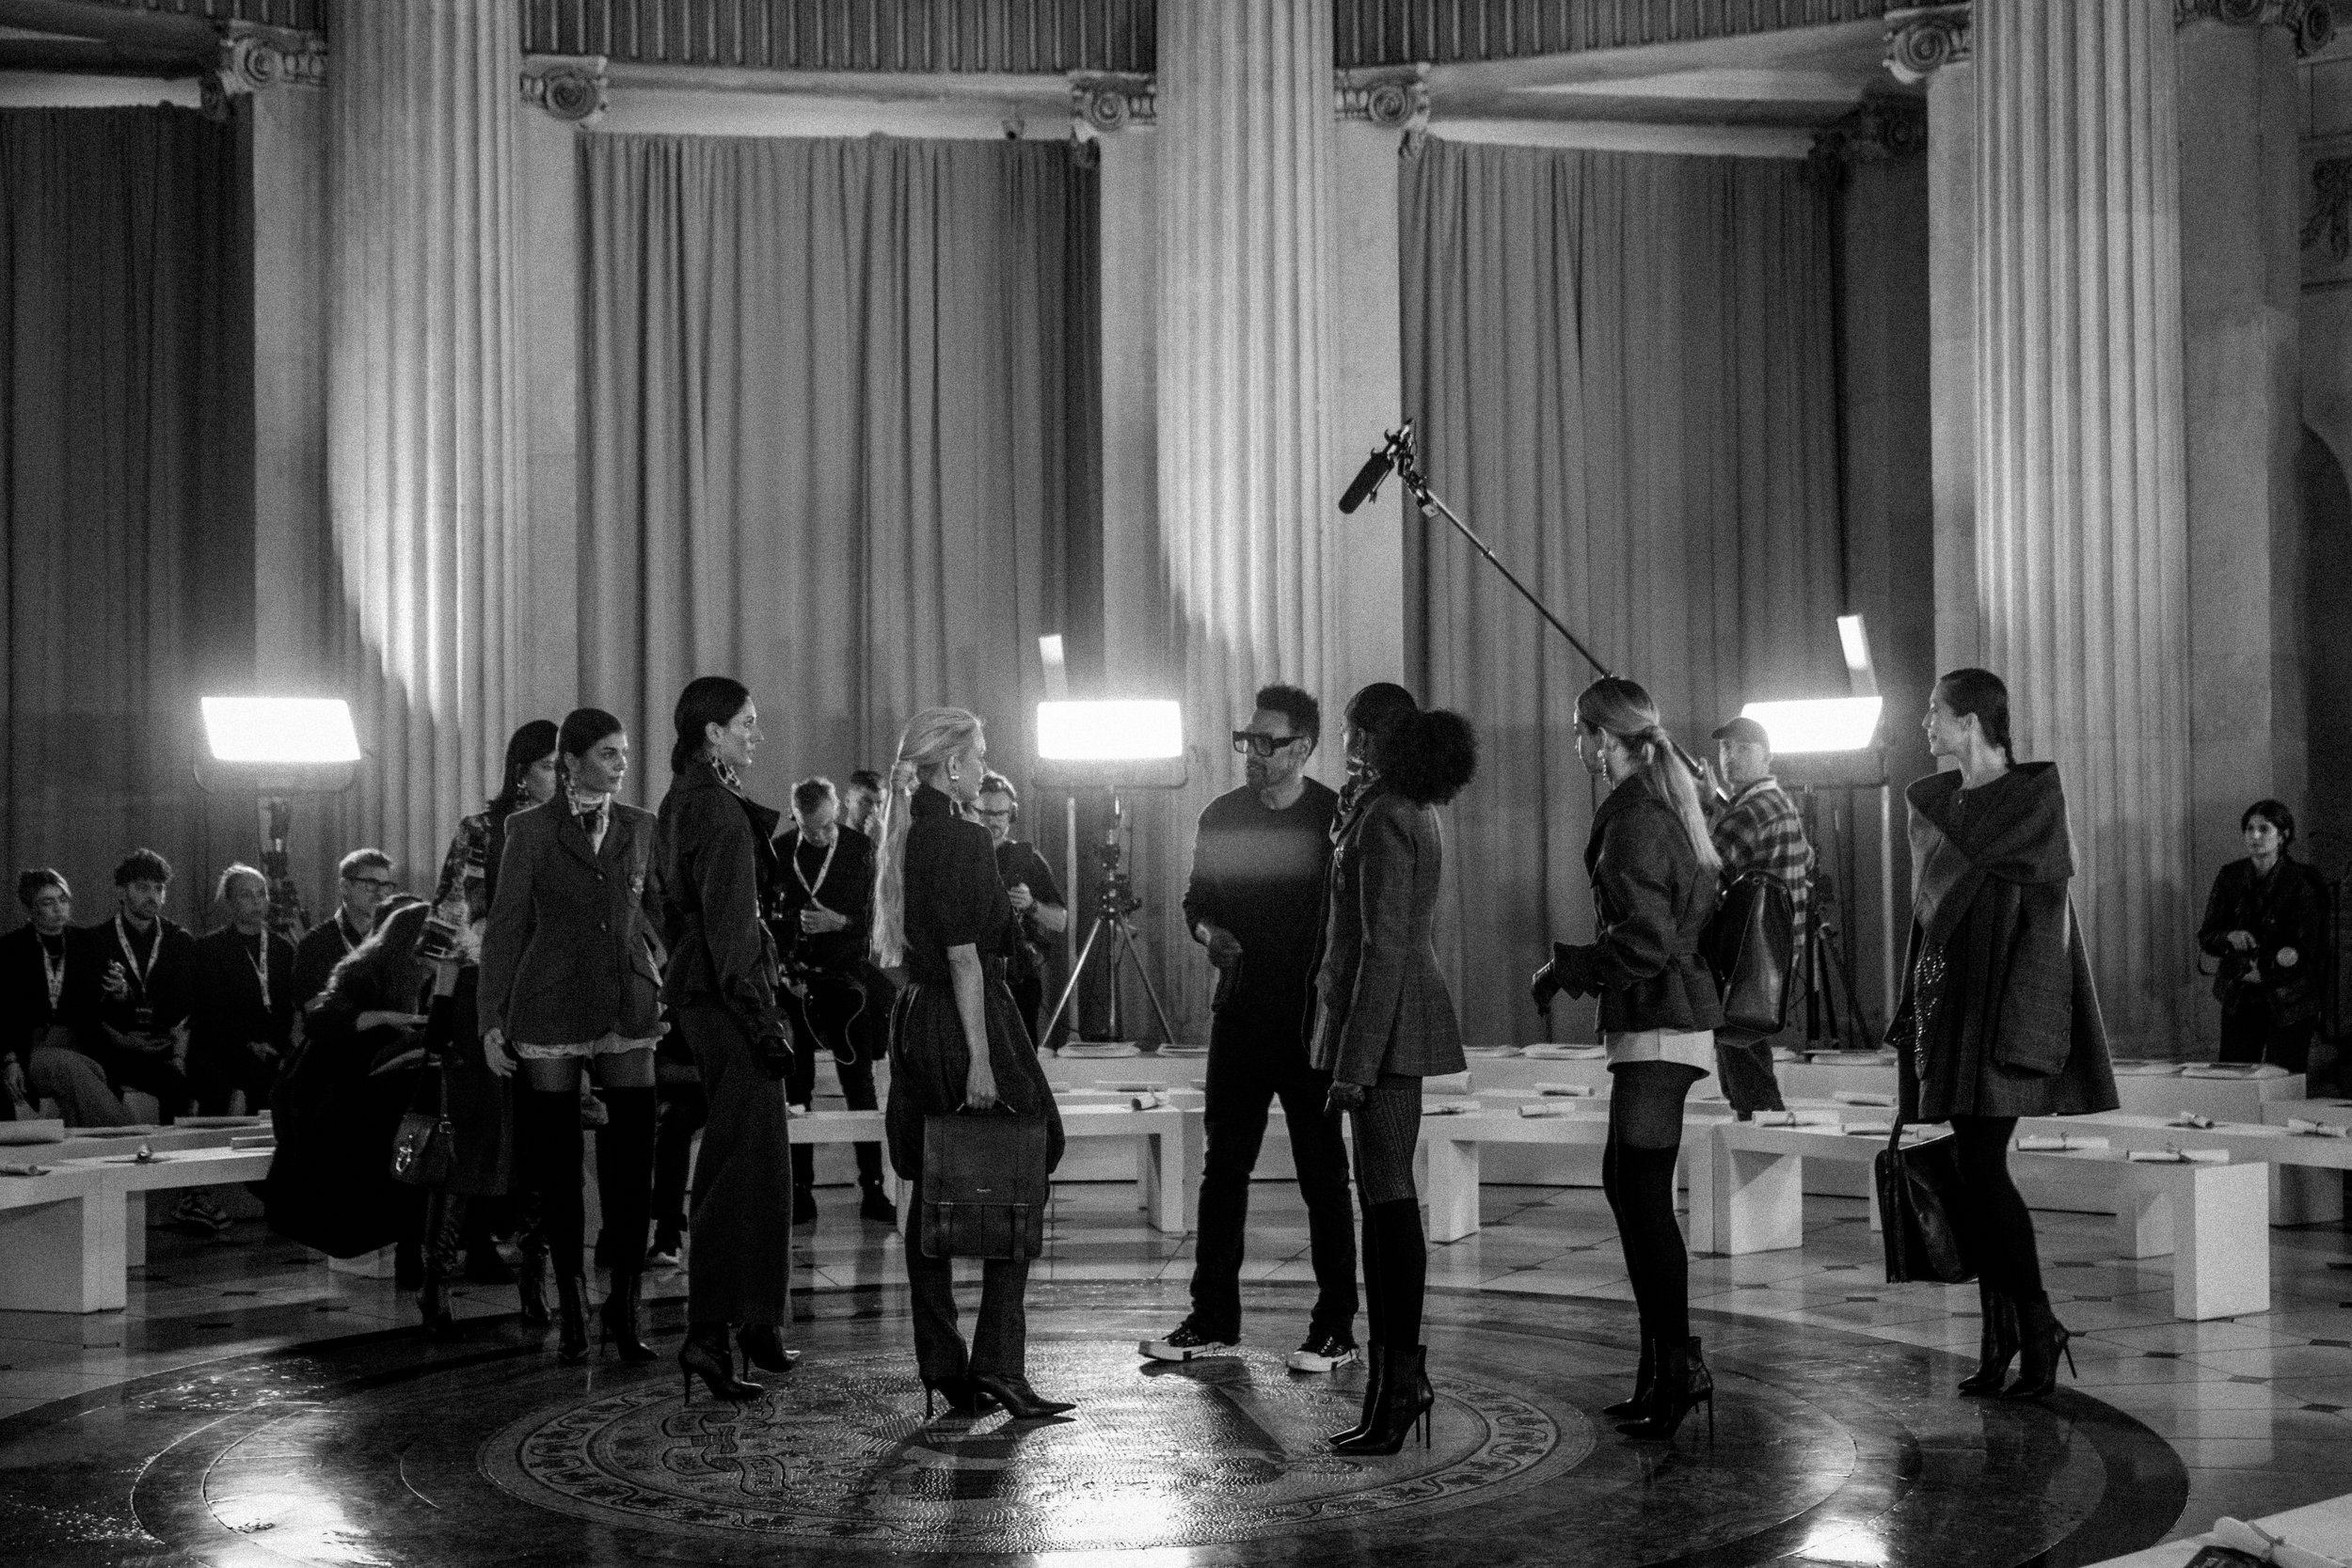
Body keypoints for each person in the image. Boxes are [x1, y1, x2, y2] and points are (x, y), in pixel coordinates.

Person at [1892, 668, 2116, 1401]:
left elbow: (2047, 926)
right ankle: (2001, 1337)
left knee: (1984, 1169)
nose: (1925, 723)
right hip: (1950, 1003)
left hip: (2004, 1006)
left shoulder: (2030, 802)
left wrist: (2029, 1027)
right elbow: (1925, 926)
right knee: (1971, 1172)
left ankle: (2037, 1325)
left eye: (1936, 712)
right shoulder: (1936, 805)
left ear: (1972, 721)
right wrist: (1910, 1012)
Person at [1533, 677, 1724, 1443]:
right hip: (1659, 1019)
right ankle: (1662, 1367)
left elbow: (1644, 940)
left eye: (1580, 730)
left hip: (1661, 1020)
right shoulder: (1653, 804)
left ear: (1604, 738)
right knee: (1630, 1187)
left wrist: (1564, 969)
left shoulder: (1638, 818)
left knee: (1643, 1199)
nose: (1575, 743)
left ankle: (1677, 1370)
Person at [1145, 683, 1357, 1374]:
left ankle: (1335, 1327)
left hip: (1310, 1026)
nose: (1254, 754)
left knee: (1322, 1176)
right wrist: (1211, 933)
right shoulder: (1222, 816)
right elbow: (1195, 901)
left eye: (1268, 743)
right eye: (1247, 740)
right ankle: (1212, 1318)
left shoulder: (1332, 817)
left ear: (1304, 747)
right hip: (1239, 1017)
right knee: (1222, 1171)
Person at [876, 707, 1072, 1420]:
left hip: (919, 1015)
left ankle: (945, 1363)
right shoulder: (959, 837)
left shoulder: (899, 832)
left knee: (933, 1179)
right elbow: (964, 954)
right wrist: (981, 1060)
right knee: (1032, 1151)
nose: (987, 767)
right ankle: (996, 1364)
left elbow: (897, 951)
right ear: (953, 765)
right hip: (968, 1015)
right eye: (981, 755)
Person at [1314, 683, 1476, 1457]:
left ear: (1372, 734)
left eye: (1351, 728)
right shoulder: (1391, 804)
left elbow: (1381, 947)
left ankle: (1401, 1385)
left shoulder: (1387, 813)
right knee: (1382, 1198)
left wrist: (1350, 1062)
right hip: (1390, 1015)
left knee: (1387, 1197)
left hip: (1387, 1022)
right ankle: (1393, 1383)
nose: (1344, 739)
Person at [478, 707, 664, 1366]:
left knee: (631, 1163)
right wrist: (490, 1020)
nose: (621, 763)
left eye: (623, 751)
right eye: (609, 753)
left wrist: (667, 980)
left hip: (627, 1004)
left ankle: (623, 1302)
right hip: (549, 1005)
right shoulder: (527, 829)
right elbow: (503, 928)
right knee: (555, 1166)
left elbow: (658, 914)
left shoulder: (642, 823)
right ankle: (574, 1304)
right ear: (573, 760)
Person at [654, 675, 795, 1403]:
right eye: (746, 720)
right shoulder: (712, 807)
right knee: (739, 1169)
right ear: (711, 732)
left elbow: (665, 907)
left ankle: (753, 1322)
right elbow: (733, 926)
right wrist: (761, 1015)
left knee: (757, 1162)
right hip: (730, 999)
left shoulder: (685, 799)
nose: (756, 731)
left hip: (710, 994)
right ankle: (711, 1334)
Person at [430, 719, 563, 1310]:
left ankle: (536, 1283)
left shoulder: (571, 832)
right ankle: (437, 1284)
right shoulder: (481, 832)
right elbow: (448, 925)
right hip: (481, 995)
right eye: (547, 766)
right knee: (475, 1141)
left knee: (541, 1143)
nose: (558, 777)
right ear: (521, 770)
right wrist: (438, 1012)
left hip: (547, 999)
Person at [270, 899, 446, 1271]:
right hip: (329, 1094)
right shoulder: (363, 974)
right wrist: (387, 1017)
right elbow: (321, 1023)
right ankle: (412, 1246)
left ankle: (420, 1245)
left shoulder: (427, 980)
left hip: (376, 1089)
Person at [772, 775, 894, 1227]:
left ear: (838, 810)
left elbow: (879, 919)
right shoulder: (781, 852)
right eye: (811, 829)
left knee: (858, 1084)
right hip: (797, 985)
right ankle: (799, 1190)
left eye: (827, 825)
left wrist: (838, 921)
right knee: (797, 1086)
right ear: (795, 818)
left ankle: (873, 1189)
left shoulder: (861, 850)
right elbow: (767, 916)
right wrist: (785, 966)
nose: (821, 835)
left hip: (849, 986)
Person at [1706, 715, 1813, 1117]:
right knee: (1746, 1067)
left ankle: (1764, 1163)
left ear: (1768, 757)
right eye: (1725, 748)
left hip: (1748, 960)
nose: (1730, 757)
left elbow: (1705, 868)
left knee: (1749, 1082)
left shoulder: (1753, 810)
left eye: (1743, 749)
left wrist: (1698, 805)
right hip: (1767, 957)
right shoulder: (1778, 802)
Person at [2198, 800, 2329, 1073]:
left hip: (2290, 997)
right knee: (2234, 1076)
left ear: (2283, 836)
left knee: (2282, 1078)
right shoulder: (2231, 876)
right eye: (2249, 829)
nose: (2254, 836)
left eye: (2264, 829)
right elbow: (2208, 935)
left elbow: (2307, 948)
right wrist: (2229, 937)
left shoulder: (2302, 880)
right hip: (2241, 996)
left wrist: (2266, 967)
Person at [0, 870, 135, 1127]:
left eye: (63, 900)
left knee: (89, 1069)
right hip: (31, 1050)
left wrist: (120, 992)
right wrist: (9, 1060)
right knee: (67, 1066)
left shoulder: (88, 944)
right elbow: (2, 1013)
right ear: (30, 908)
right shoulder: (10, 949)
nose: (58, 908)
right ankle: (126, 1134)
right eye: (47, 902)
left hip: (78, 1044)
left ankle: (85, 1155)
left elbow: (115, 1013)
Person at [85, 847, 196, 1125]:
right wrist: (123, 1034)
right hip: (115, 1046)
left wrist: (179, 1057)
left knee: (181, 1084)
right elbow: (86, 1012)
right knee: (103, 1076)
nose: (153, 896)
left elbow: (187, 1005)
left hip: (162, 1044)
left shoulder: (178, 940)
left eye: (159, 888)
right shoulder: (97, 940)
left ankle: (176, 1162)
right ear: (122, 893)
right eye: (143, 888)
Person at [186, 863, 297, 1117]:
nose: (257, 902)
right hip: (228, 1045)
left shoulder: (283, 949)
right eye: (246, 895)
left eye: (261, 894)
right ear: (230, 902)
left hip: (274, 1045)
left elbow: (289, 1007)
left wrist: (282, 1046)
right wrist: (249, 1044)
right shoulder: (210, 949)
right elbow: (210, 1012)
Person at [973, 772, 1068, 1044]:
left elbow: (1060, 921)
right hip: (969, 974)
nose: (993, 820)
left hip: (1018, 979)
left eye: (1000, 814)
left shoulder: (1027, 859)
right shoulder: (959, 856)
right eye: (985, 812)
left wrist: (1031, 905)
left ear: (1011, 815)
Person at [293, 849, 398, 1010]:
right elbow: (309, 1006)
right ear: (345, 886)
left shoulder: (392, 939)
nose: (381, 894)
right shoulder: (315, 943)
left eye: (385, 886)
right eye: (371, 884)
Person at [841, 768, 885, 839]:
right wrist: (872, 842)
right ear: (848, 801)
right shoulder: (833, 842)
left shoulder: (887, 841)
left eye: (878, 804)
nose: (874, 810)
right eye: (865, 803)